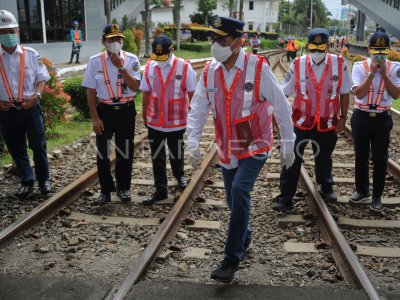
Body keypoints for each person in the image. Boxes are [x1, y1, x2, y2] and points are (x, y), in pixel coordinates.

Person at [187, 16, 295, 283]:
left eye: (221, 39)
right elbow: (199, 108)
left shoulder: (258, 68)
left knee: (239, 191)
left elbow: (281, 106)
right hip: (227, 148)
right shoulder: (210, 71)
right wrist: (192, 141)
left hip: (256, 144)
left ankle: (231, 258)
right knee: (233, 201)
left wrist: (289, 143)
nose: (215, 44)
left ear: (238, 41)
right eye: (213, 38)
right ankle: (245, 237)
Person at [272, 28, 352, 212]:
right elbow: (285, 90)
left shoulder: (340, 64)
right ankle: (285, 197)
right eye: (313, 46)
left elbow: (345, 92)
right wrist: (277, 113)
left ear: (328, 46)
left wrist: (343, 117)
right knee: (291, 159)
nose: (316, 50)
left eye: (321, 46)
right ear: (307, 45)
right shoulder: (297, 64)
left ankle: (326, 186)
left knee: (324, 158)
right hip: (300, 121)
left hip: (328, 122)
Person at [82, 24, 140, 205]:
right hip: (105, 111)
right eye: (111, 39)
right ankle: (106, 191)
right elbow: (90, 91)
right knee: (103, 152)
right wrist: (95, 117)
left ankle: (123, 188)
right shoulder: (94, 61)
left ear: (122, 41)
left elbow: (136, 87)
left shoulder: (131, 60)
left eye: (118, 39)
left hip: (126, 110)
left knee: (125, 151)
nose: (115, 42)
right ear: (104, 41)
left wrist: (121, 67)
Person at [0, 10, 52, 198]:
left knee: (38, 145)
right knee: (16, 148)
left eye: (10, 31)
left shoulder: (31, 54)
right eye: (3, 32)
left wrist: (37, 95)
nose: (8, 36)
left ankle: (44, 180)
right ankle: (27, 181)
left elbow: (42, 78)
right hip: (7, 112)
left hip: (30, 108)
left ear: (18, 31)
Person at [140, 35, 197, 205]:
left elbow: (193, 94)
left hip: (177, 121)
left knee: (176, 151)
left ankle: (179, 175)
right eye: (157, 56)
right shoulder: (150, 66)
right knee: (157, 156)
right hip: (155, 121)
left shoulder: (185, 67)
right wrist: (144, 115)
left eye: (163, 56)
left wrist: (194, 118)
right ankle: (160, 189)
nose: (160, 60)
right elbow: (146, 92)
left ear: (171, 51)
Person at [349, 32, 400, 211]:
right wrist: (371, 74)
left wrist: (385, 75)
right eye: (376, 50)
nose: (379, 55)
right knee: (361, 156)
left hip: (382, 118)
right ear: (369, 49)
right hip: (361, 116)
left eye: (383, 51)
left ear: (389, 50)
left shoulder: (395, 68)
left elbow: (396, 95)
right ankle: (362, 191)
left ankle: (377, 196)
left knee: (380, 158)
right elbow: (359, 93)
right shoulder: (359, 66)